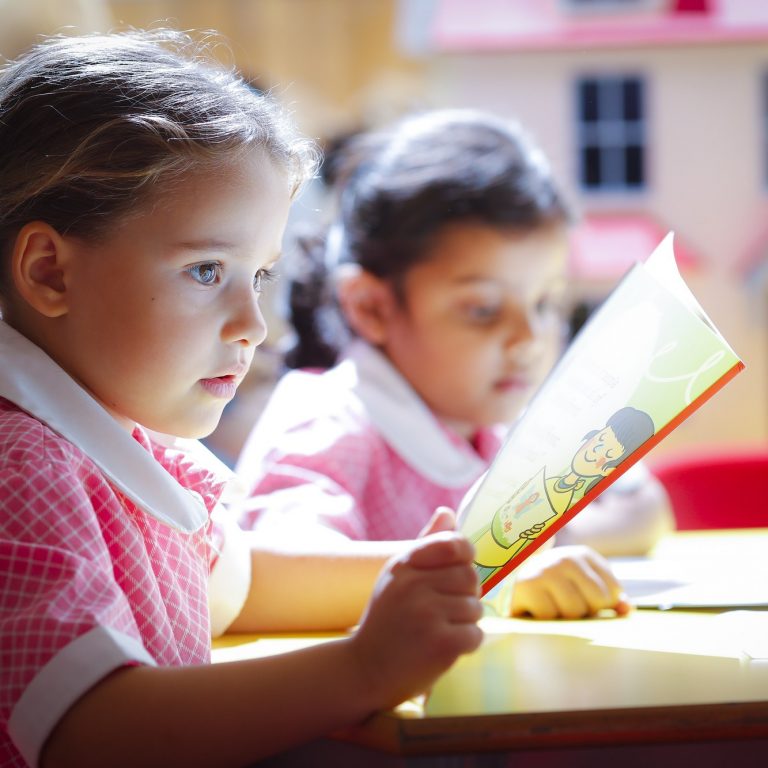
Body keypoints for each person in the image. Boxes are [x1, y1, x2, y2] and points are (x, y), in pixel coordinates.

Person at [0, 31, 486, 768]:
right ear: (50, 273)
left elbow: (241, 581)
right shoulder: (19, 465)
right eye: (205, 271)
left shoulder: (121, 442)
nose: (252, 325)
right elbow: (90, 729)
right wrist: (363, 669)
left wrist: (459, 575)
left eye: (258, 276)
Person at [236, 109, 671, 619]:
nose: (528, 339)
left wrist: (535, 546)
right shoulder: (329, 422)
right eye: (483, 310)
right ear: (372, 307)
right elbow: (274, 573)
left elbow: (644, 506)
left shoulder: (493, 425)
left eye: (546, 304)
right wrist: (485, 570)